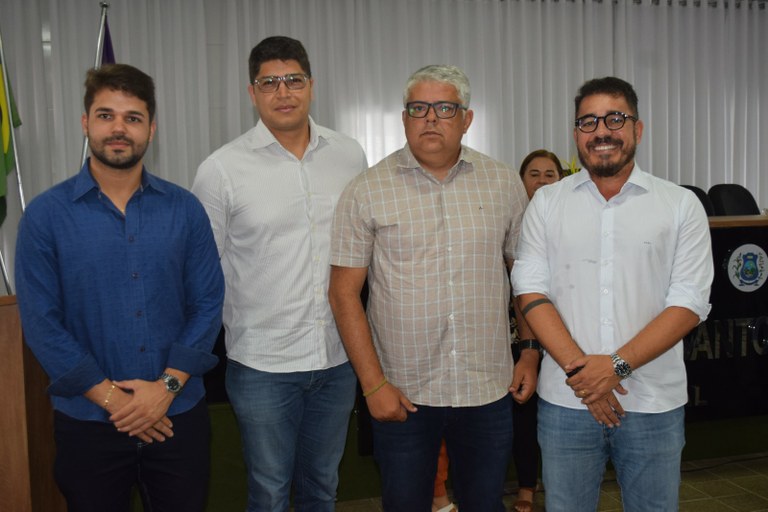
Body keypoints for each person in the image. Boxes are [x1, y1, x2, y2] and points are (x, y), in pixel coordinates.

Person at [15, 63, 225, 512]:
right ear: (85, 122)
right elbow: (41, 323)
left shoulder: (185, 209)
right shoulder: (45, 216)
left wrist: (164, 390)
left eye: (132, 118)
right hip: (88, 422)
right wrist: (115, 401)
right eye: (106, 115)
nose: (118, 129)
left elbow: (208, 303)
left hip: (176, 416)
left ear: (151, 128)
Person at [329, 64, 537, 512]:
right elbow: (343, 293)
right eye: (418, 108)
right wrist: (372, 386)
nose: (430, 118)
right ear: (403, 117)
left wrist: (530, 352)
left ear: (467, 119)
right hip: (403, 393)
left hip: (487, 388)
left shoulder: (503, 183)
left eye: (444, 108)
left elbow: (523, 276)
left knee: (485, 503)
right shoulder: (366, 190)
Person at [511, 76, 714, 512]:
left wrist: (615, 367)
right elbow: (529, 288)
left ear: (637, 129)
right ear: (576, 134)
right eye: (588, 121)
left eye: (615, 119)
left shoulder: (680, 205)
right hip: (567, 401)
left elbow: (689, 303)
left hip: (653, 403)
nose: (601, 131)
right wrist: (585, 374)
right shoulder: (546, 204)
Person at [191, 36, 367, 512]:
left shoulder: (349, 155)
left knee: (322, 489)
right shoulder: (221, 170)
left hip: (337, 358)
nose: (283, 92)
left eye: (293, 80)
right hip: (261, 365)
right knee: (269, 492)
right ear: (253, 93)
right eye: (269, 83)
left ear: (311, 85)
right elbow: (201, 272)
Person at [510, 148, 566, 512]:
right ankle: (526, 488)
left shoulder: (570, 221)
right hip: (521, 336)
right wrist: (528, 346)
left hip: (564, 336)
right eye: (534, 174)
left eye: (550, 174)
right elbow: (521, 289)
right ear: (521, 181)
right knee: (524, 417)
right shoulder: (511, 222)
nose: (542, 181)